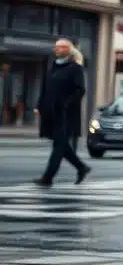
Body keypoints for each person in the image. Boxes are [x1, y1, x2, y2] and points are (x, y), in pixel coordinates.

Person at [35, 38, 91, 187]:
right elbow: (44, 88)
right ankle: (81, 167)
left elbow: (80, 90)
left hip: (66, 115)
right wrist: (39, 105)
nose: (56, 50)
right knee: (62, 145)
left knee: (59, 146)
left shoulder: (75, 68)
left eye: (60, 47)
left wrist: (66, 103)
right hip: (50, 113)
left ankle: (47, 178)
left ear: (68, 50)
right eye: (56, 47)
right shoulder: (52, 67)